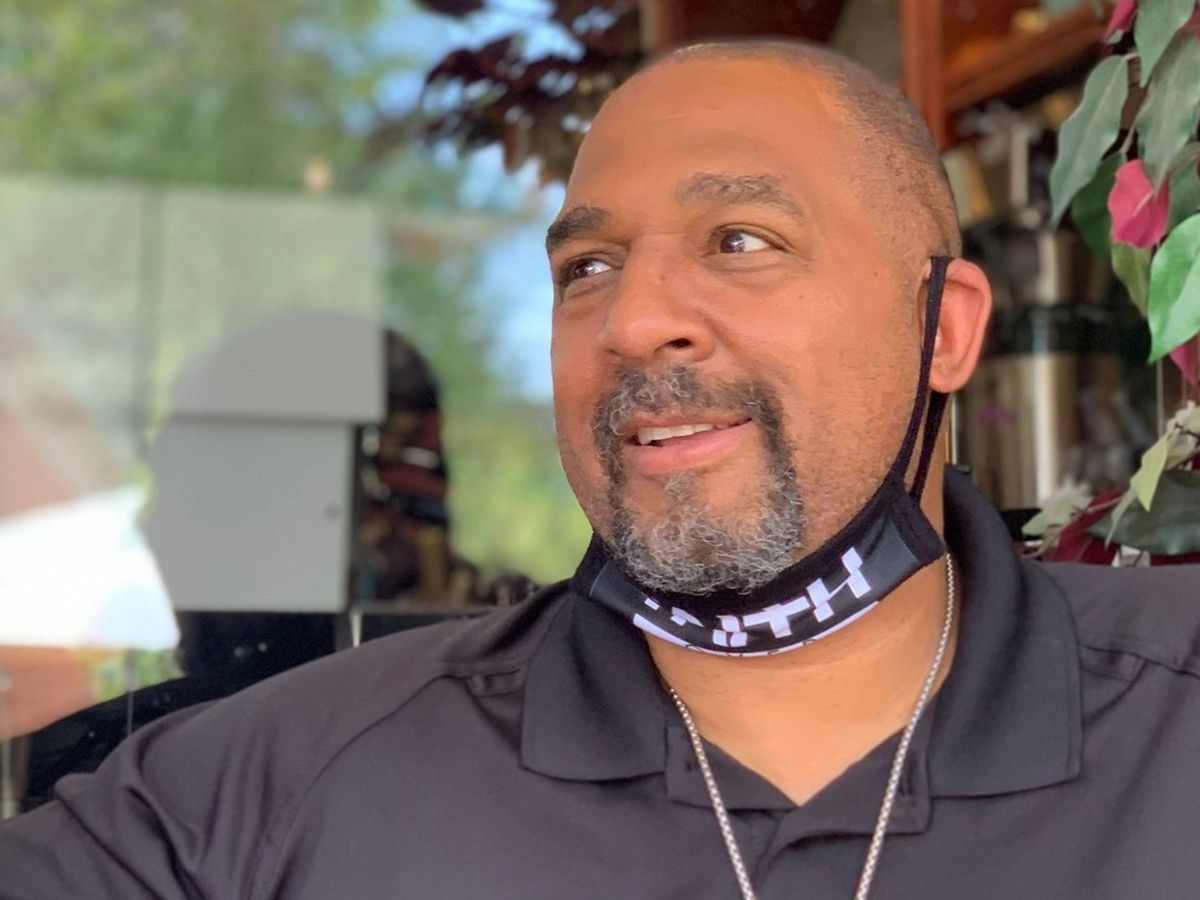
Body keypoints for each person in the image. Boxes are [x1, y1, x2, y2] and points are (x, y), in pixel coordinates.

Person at [2, 38, 1199, 900]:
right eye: (588, 269)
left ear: (944, 330)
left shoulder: (1171, 723)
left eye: (740, 241)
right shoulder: (274, 793)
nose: (632, 322)